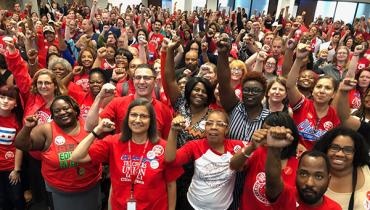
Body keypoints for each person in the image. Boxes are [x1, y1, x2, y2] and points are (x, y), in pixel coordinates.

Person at [71, 98, 182, 210]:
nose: (137, 120)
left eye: (143, 116)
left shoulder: (163, 147)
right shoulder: (113, 142)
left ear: (151, 121)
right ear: (127, 118)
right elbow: (76, 156)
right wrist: (97, 131)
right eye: (133, 115)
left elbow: (171, 185)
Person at [14, 96, 102, 210]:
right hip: (59, 192)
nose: (62, 112)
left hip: (91, 188)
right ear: (52, 116)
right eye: (57, 111)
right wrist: (27, 128)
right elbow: (21, 145)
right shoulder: (46, 130)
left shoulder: (89, 126)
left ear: (75, 110)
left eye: (66, 108)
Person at [165, 110, 246, 209]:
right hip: (192, 205)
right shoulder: (195, 145)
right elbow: (170, 160)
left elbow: (259, 150)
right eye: (209, 123)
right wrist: (173, 131)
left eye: (220, 124)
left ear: (227, 129)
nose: (213, 127)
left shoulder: (237, 146)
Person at [230, 112, 299, 210]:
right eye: (265, 131)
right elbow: (233, 166)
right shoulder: (258, 151)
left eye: (275, 133)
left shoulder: (298, 162)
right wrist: (252, 147)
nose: (269, 137)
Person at [84, 64, 172, 139]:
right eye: (137, 77)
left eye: (147, 78)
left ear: (155, 81)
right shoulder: (117, 103)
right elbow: (90, 127)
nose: (141, 82)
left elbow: (166, 143)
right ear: (133, 80)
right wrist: (99, 97)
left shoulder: (164, 110)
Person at [264, 127, 342, 210]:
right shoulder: (285, 196)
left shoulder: (334, 208)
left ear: (328, 179)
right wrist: (273, 149)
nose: (309, 183)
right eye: (303, 174)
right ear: (296, 174)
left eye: (318, 176)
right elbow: (272, 182)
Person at [286, 43, 340, 151]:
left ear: (333, 94)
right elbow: (290, 85)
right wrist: (298, 59)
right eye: (319, 86)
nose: (322, 91)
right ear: (313, 90)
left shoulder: (335, 116)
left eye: (327, 88)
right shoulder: (302, 104)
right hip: (294, 155)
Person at [313, 127, 370, 210]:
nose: (340, 154)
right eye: (334, 148)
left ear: (356, 153)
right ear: (326, 149)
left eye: (348, 150)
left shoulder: (367, 170)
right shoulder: (312, 176)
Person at [0, 86, 25, 210]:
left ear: (15, 104)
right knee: (2, 200)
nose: (5, 101)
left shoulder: (17, 121)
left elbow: (19, 147)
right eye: (2, 97)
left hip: (10, 168)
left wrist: (16, 170)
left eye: (9, 98)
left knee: (16, 198)